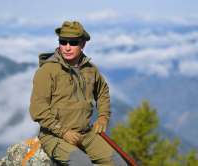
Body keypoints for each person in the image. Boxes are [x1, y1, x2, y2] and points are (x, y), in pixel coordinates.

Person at [29, 21, 127, 166]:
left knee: (119, 164)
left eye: (73, 43)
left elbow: (102, 91)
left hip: (85, 134)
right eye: (63, 42)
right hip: (54, 136)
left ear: (82, 44)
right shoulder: (47, 71)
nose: (67, 47)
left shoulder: (90, 70)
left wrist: (103, 117)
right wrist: (63, 132)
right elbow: (38, 110)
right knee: (83, 164)